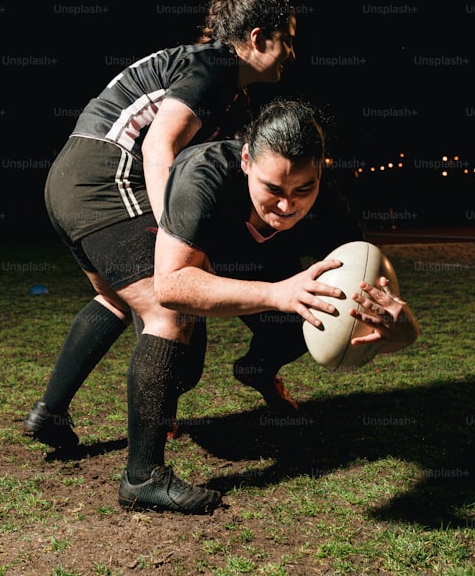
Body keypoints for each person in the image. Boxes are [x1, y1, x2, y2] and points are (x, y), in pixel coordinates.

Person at [24, 0, 298, 451]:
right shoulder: (215, 66)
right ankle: (145, 471)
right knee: (171, 310)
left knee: (118, 299)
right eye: (286, 38)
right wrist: (173, 231)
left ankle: (50, 413)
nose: (291, 51)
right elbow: (158, 145)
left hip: (72, 178)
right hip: (104, 178)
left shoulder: (226, 84)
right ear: (256, 37)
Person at [117, 98, 419, 514]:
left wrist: (403, 329)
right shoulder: (204, 175)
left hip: (259, 259)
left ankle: (257, 368)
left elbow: (362, 309)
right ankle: (143, 471)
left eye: (303, 189)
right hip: (183, 247)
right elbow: (170, 284)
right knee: (177, 352)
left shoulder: (329, 205)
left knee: (312, 316)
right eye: (272, 189)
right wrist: (277, 293)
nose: (286, 205)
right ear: (245, 161)